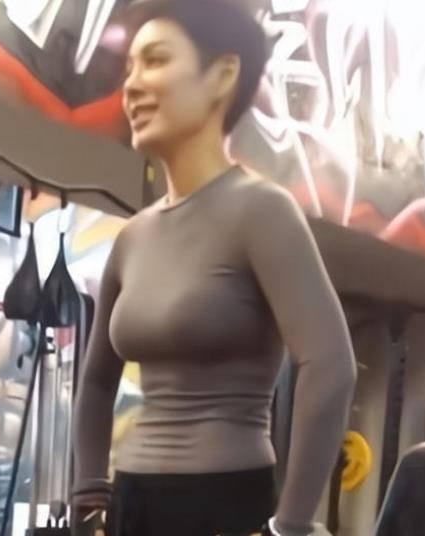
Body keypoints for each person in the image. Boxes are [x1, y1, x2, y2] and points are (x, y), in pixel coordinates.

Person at [71, 1, 357, 535]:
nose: (131, 85)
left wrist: (290, 525)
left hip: (224, 503)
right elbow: (96, 380)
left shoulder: (261, 210)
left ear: (223, 75)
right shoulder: (132, 237)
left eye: (156, 60)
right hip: (133, 501)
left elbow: (330, 364)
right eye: (129, 67)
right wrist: (89, 494)